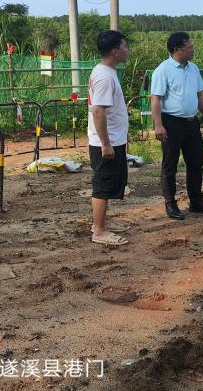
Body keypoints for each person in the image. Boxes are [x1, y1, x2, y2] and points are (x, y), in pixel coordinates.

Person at [150, 32, 203, 220]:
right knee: (170, 165)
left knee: (196, 163)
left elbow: (200, 94)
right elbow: (155, 99)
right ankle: (171, 204)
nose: (192, 50)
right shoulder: (163, 70)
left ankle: (196, 201)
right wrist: (158, 125)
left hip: (191, 122)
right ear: (177, 49)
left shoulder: (193, 68)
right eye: (189, 47)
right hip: (171, 123)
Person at [86, 30, 130, 246]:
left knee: (110, 183)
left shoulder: (106, 72)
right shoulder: (104, 76)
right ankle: (99, 231)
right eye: (125, 47)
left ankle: (100, 223)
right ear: (115, 51)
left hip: (113, 139)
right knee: (103, 186)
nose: (127, 50)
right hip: (106, 142)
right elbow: (98, 111)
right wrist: (106, 144)